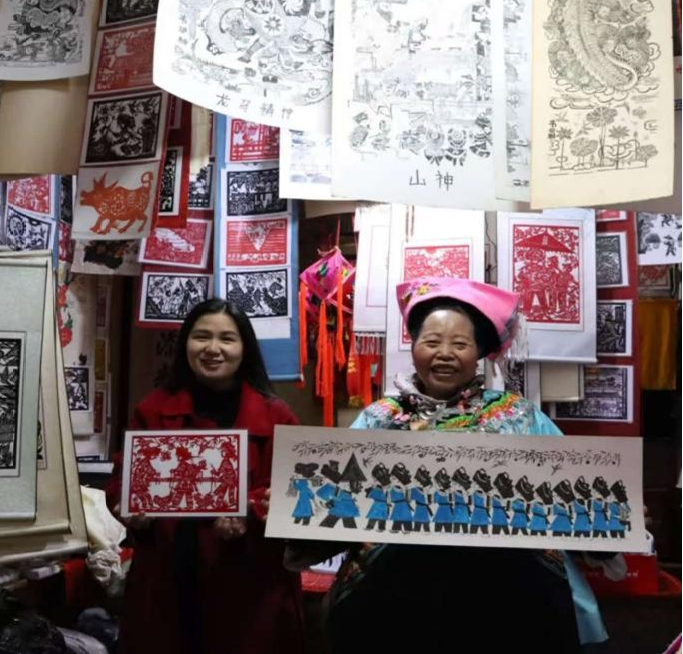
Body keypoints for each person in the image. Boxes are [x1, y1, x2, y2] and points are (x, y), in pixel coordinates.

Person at [287, 278, 610, 653]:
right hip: (392, 606)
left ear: (479, 352)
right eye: (431, 342)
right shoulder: (379, 419)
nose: (444, 354)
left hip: (508, 606)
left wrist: (613, 515)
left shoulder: (519, 417)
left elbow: (574, 496)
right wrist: (293, 509)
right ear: (413, 347)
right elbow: (333, 505)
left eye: (460, 344)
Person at [107, 299, 304, 654]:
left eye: (227, 338)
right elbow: (123, 479)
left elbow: (294, 492)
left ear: (245, 348)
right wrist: (129, 506)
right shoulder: (153, 410)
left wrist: (249, 509)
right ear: (185, 344)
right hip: (167, 579)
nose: (213, 348)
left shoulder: (277, 416)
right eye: (201, 337)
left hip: (249, 585)